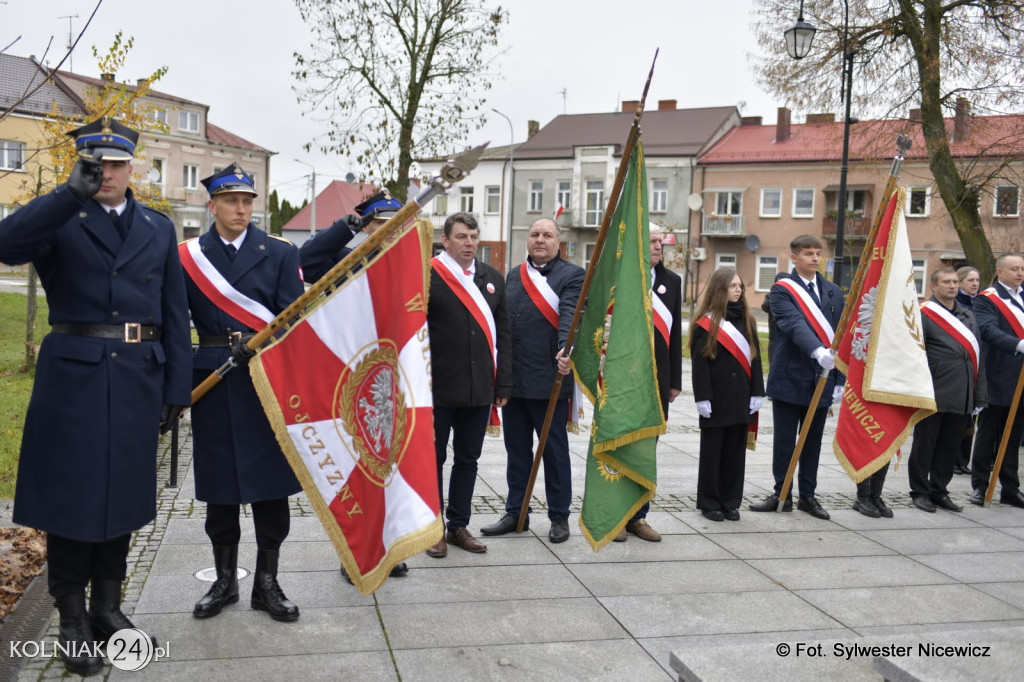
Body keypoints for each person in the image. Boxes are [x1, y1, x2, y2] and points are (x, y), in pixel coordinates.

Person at [0, 118, 190, 675]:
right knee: (72, 498)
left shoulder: (156, 227)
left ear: (133, 167)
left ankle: (108, 606)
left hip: (137, 376)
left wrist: (176, 385)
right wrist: (66, 194)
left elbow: (173, 312)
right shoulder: (59, 216)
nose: (105, 173)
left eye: (115, 164)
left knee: (124, 495)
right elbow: (5, 245)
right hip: (75, 380)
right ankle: (71, 617)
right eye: (95, 163)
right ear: (80, 164)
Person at [183, 165, 303, 622]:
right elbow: (177, 325)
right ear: (211, 205)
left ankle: (267, 584)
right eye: (231, 200)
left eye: (248, 201)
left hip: (265, 382)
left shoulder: (276, 252)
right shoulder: (188, 256)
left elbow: (292, 324)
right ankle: (225, 580)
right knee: (220, 486)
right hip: (213, 379)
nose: (241, 209)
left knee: (271, 487)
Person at [297, 190, 412, 581]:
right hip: (354, 381)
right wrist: (349, 225)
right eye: (379, 225)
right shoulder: (345, 263)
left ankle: (391, 547)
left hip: (400, 381)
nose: (388, 233)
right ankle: (355, 553)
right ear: (367, 229)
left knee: (392, 470)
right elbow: (305, 260)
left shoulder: (414, 266)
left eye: (394, 226)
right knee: (356, 469)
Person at [481, 218, 584, 543]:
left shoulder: (573, 276)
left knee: (554, 452)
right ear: (528, 239)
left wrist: (563, 350)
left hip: (551, 379)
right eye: (535, 234)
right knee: (517, 451)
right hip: (514, 382)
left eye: (547, 235)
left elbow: (569, 314)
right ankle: (517, 513)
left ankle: (559, 517)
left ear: (558, 241)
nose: (540, 240)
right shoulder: (513, 276)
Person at [425, 213, 512, 557]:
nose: (469, 243)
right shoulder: (428, 275)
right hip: (437, 387)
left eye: (473, 237)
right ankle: (433, 530)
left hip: (478, 388)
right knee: (433, 458)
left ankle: (459, 525)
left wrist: (503, 383)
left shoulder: (492, 278)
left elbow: (504, 333)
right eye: (461, 237)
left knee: (468, 459)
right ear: (445, 241)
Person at [750, 235, 844, 520]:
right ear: (794, 257)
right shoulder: (781, 291)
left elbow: (841, 334)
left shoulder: (833, 291)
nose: (814, 258)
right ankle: (782, 493)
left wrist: (839, 377)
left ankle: (808, 496)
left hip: (823, 378)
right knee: (785, 441)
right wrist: (817, 350)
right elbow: (793, 323)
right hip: (790, 375)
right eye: (807, 254)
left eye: (817, 253)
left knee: (813, 441)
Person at [615, 226, 682, 542]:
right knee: (621, 446)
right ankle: (615, 517)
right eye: (652, 241)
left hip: (658, 380)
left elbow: (676, 335)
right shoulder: (623, 279)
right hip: (624, 379)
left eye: (660, 242)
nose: (658, 246)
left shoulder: (673, 282)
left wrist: (675, 379)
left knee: (647, 451)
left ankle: (638, 518)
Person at [907, 268, 986, 513]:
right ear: (933, 286)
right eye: (946, 282)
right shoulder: (924, 314)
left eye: (954, 282)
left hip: (963, 393)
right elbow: (914, 354)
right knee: (925, 445)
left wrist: (979, 394)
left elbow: (978, 358)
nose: (952, 286)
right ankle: (920, 491)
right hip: (934, 390)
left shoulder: (967, 315)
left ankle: (939, 490)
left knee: (949, 446)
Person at [690, 269, 765, 522]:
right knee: (712, 454)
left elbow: (755, 359)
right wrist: (702, 397)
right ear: (719, 289)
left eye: (740, 286)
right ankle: (709, 502)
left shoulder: (748, 320)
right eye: (733, 286)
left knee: (735, 453)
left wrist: (758, 392)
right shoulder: (705, 323)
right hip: (716, 399)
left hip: (741, 398)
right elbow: (700, 364)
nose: (738, 290)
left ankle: (730, 501)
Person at [970, 252, 1024, 508]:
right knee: (988, 433)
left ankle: (1010, 488)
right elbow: (988, 330)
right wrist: (1018, 344)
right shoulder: (987, 300)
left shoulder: (1023, 296)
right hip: (998, 375)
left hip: (1021, 380)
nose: (1020, 273)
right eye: (1014, 269)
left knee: (1013, 435)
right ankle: (980, 485)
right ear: (1000, 272)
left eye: (1022, 269)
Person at [954, 265, 982, 475]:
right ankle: (955, 460)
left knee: (969, 419)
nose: (974, 284)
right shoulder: (958, 304)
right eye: (970, 280)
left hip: (975, 363)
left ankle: (963, 460)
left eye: (977, 280)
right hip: (957, 366)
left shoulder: (979, 303)